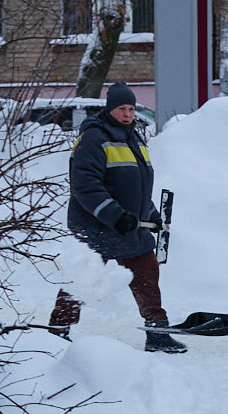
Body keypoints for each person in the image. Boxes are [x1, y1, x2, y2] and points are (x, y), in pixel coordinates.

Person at [47, 82, 186, 353]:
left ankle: (157, 332)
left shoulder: (134, 139)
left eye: (132, 109)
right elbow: (85, 186)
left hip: (128, 224)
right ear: (111, 109)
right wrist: (115, 216)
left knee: (147, 272)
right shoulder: (93, 139)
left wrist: (151, 216)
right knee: (84, 279)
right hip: (95, 225)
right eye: (122, 108)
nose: (127, 114)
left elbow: (138, 187)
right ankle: (57, 330)